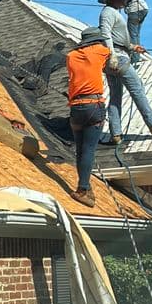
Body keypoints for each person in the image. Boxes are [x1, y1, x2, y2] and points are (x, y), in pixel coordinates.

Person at [97, 0, 152, 143]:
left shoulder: (110, 12)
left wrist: (133, 47)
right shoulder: (109, 13)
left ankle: (115, 134)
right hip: (117, 57)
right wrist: (112, 55)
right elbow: (105, 35)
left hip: (115, 56)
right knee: (137, 87)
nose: (125, 0)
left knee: (116, 96)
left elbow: (117, 37)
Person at [65, 27, 110, 207]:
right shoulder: (100, 51)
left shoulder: (71, 56)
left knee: (81, 149)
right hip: (94, 105)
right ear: (96, 42)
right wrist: (134, 48)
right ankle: (83, 189)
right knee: (90, 149)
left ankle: (84, 186)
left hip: (76, 108)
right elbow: (114, 52)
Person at [118, 0, 148, 65]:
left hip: (134, 7)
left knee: (132, 35)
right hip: (143, 6)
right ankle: (137, 55)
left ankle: (135, 60)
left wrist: (118, 4)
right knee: (136, 34)